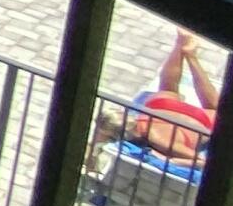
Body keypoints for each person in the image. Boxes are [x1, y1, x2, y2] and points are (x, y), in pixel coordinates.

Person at [91, 30, 218, 177]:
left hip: (196, 121)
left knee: (215, 108)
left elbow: (202, 161)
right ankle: (181, 45)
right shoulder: (135, 120)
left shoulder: (160, 140)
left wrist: (170, 160)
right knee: (167, 86)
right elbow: (104, 127)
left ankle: (191, 56)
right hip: (158, 109)